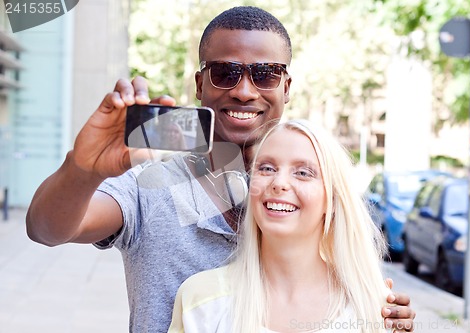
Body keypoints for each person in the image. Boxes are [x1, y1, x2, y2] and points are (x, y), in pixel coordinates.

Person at [26, 6, 415, 332]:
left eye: (265, 74)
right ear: (200, 83)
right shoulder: (152, 182)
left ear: (286, 87)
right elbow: (46, 229)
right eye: (225, 73)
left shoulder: (306, 188)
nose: (244, 91)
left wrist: (375, 312)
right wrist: (84, 168)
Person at [169, 119, 395, 333]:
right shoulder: (200, 299)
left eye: (303, 173)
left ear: (333, 200)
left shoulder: (373, 306)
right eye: (267, 168)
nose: (279, 183)